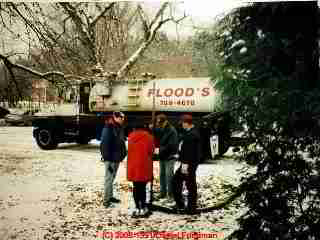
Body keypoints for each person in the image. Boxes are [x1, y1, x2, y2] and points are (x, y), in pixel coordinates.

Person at [172, 114, 201, 214]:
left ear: (186, 123)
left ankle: (188, 206)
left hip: (188, 164)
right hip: (189, 163)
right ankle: (188, 206)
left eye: (183, 123)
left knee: (182, 182)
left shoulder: (191, 135)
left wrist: (184, 165)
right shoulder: (191, 133)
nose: (182, 125)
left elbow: (190, 153)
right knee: (189, 184)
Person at [127, 121, 154, 217]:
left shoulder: (130, 137)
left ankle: (137, 207)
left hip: (133, 166)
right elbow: (151, 151)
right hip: (144, 165)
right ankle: (143, 207)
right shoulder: (149, 137)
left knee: (135, 187)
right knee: (142, 187)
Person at [100, 111, 127, 208]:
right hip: (111, 159)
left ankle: (110, 197)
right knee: (109, 179)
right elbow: (104, 144)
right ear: (115, 117)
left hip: (116, 158)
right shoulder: (109, 128)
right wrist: (107, 158)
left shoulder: (118, 127)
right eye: (121, 118)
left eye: (123, 118)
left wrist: (123, 154)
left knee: (111, 179)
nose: (122, 120)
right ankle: (106, 201)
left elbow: (120, 141)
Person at [152, 114, 179, 199]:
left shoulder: (172, 130)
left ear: (165, 121)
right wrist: (152, 129)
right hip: (162, 156)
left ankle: (170, 194)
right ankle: (163, 192)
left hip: (170, 156)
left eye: (160, 123)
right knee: (162, 175)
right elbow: (157, 134)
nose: (159, 125)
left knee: (169, 176)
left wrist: (160, 150)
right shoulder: (161, 128)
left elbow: (172, 145)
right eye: (158, 124)